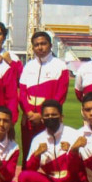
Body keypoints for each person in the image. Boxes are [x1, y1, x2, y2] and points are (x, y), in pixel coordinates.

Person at [17, 100, 85, 182]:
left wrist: (73, 152)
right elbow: (30, 169)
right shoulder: (38, 139)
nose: (50, 118)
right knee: (24, 177)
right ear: (42, 119)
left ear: (61, 117)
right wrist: (37, 155)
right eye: (47, 116)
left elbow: (83, 166)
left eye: (54, 115)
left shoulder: (74, 135)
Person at [18, 31, 69, 165]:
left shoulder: (60, 66)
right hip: (29, 120)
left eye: (43, 44)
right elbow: (22, 93)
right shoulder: (29, 66)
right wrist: (29, 113)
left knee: (49, 154)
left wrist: (42, 115)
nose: (40, 47)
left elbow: (60, 95)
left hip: (49, 120)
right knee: (28, 154)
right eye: (36, 45)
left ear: (50, 45)